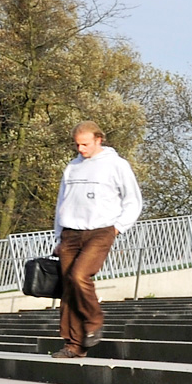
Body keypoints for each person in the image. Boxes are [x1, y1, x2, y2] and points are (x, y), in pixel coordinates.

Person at [49, 121, 143, 358]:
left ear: (98, 140)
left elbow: (133, 200)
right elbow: (62, 202)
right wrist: (58, 236)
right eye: (78, 145)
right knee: (68, 287)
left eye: (85, 144)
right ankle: (74, 345)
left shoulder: (116, 165)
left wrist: (118, 228)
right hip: (70, 232)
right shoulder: (72, 167)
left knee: (80, 276)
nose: (81, 149)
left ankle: (94, 320)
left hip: (101, 230)